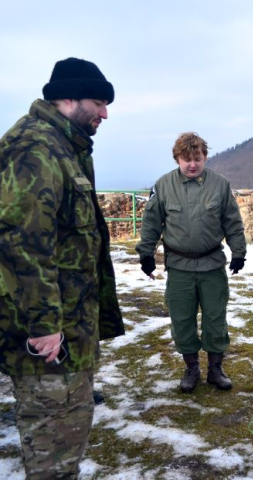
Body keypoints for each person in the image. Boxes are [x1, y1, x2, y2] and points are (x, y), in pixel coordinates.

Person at [0, 57, 125, 479]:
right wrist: (43, 325)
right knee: (53, 451)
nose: (104, 114)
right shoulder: (34, 149)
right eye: (99, 103)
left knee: (67, 439)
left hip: (70, 328)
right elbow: (21, 245)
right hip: (49, 342)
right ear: (69, 98)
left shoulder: (63, 146)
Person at [136, 132, 247, 394]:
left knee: (215, 318)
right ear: (177, 159)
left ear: (205, 157)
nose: (193, 164)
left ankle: (215, 369)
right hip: (179, 267)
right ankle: (191, 368)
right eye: (187, 159)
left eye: (198, 158)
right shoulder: (163, 186)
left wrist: (239, 252)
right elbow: (151, 223)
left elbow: (232, 222)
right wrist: (146, 254)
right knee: (182, 320)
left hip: (212, 265)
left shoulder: (220, 185)